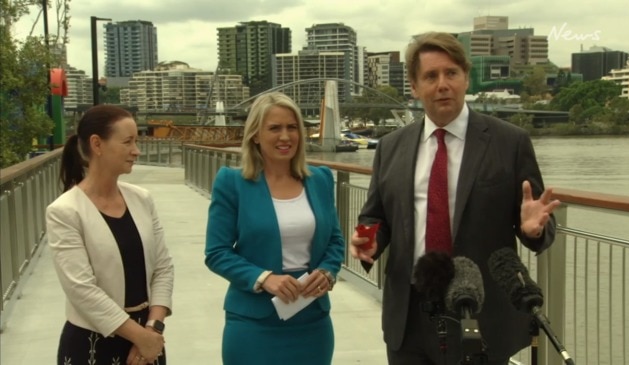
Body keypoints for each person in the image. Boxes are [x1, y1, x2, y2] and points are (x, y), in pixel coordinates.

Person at [349, 32, 561, 365]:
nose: (442, 84)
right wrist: (369, 240)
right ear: (415, 87)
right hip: (409, 316)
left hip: (480, 312)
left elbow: (538, 221)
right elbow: (376, 217)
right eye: (430, 76)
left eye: (451, 73)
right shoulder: (391, 147)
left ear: (465, 79)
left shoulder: (510, 142)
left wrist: (533, 229)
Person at [204, 91, 345, 365]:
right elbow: (217, 252)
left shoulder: (321, 180)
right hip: (253, 324)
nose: (285, 136)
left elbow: (335, 241)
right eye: (274, 128)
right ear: (255, 135)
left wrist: (328, 271)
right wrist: (264, 278)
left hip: (312, 321)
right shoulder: (232, 183)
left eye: (292, 127)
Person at [46, 105, 174, 365]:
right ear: (97, 144)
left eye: (136, 141)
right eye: (128, 142)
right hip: (92, 344)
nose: (136, 151)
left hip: (148, 343)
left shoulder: (142, 199)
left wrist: (152, 330)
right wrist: (140, 336)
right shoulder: (64, 211)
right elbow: (81, 289)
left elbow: (163, 267)